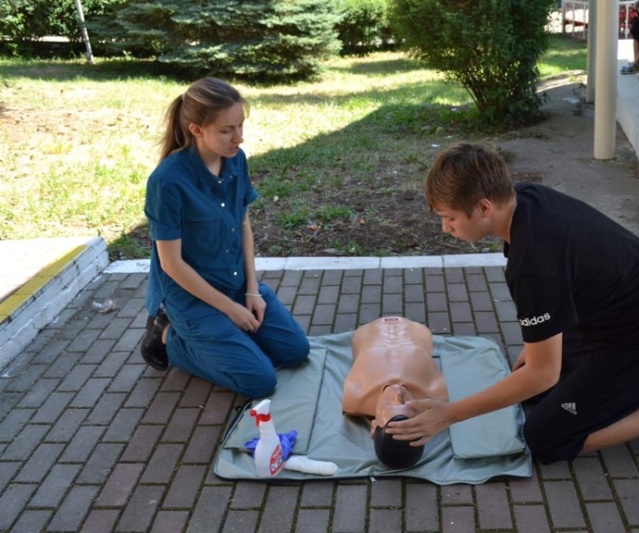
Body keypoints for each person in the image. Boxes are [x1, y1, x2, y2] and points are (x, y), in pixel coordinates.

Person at [386, 142, 639, 464]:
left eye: (449, 218)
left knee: (547, 436)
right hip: (638, 314)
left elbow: (542, 373)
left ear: (483, 207)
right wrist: (537, 359)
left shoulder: (533, 262)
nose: (446, 229)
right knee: (536, 394)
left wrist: (448, 414)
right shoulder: (523, 199)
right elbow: (551, 326)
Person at [140, 77, 310, 398]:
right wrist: (231, 311)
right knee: (260, 381)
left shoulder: (236, 161)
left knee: (295, 351)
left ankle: (227, 338)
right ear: (196, 130)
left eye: (240, 125)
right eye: (227, 130)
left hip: (234, 285)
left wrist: (251, 291)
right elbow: (171, 265)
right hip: (191, 299)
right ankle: (168, 336)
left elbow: (243, 224)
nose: (239, 138)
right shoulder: (167, 182)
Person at [342, 316, 449, 469]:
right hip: (414, 328)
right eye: (407, 404)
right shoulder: (436, 394)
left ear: (373, 427)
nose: (397, 394)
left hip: (369, 329)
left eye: (389, 406)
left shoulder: (354, 398)